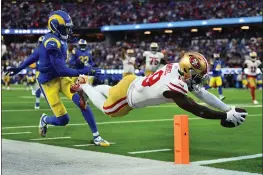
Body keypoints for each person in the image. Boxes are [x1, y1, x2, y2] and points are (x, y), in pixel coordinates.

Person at [5, 10, 109, 146]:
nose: (67, 31)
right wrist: (86, 70)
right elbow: (62, 69)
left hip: (61, 78)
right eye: (65, 28)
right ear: (55, 27)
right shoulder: (51, 42)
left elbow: (36, 54)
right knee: (63, 120)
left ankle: (97, 136)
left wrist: (19, 67)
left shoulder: (55, 39)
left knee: (82, 103)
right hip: (49, 83)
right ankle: (45, 119)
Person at [72, 52, 247, 127]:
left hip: (132, 80)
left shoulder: (176, 66)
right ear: (187, 71)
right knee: (108, 109)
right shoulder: (174, 87)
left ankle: (92, 87)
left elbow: (202, 93)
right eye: (198, 74)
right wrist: (224, 116)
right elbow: (198, 109)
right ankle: (85, 85)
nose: (200, 77)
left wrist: (227, 109)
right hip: (128, 97)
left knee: (111, 90)